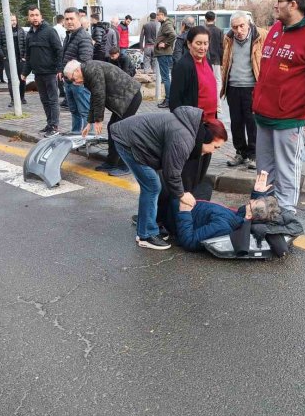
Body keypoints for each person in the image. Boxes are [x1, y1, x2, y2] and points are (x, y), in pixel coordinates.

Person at [252, 0, 305, 213]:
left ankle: (285, 217)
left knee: (287, 171)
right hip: (264, 115)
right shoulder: (277, 29)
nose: (276, 5)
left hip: (290, 119)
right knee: (263, 171)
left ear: (293, 4)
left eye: (279, 0)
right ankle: (263, 212)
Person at [110, 107, 227, 250]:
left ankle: (146, 223)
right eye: (215, 147)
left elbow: (169, 168)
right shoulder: (184, 138)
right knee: (152, 185)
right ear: (207, 139)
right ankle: (146, 235)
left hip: (134, 138)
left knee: (152, 184)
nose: (213, 152)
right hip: (127, 141)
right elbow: (171, 173)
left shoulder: (190, 130)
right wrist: (182, 195)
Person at [63, 58, 141, 177]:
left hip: (130, 97)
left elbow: (100, 95)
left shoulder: (91, 70)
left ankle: (126, 165)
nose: (75, 82)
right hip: (123, 100)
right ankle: (111, 162)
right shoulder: (87, 73)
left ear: (77, 70)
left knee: (121, 132)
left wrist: (99, 120)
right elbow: (94, 99)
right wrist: (90, 122)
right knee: (112, 128)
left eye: (73, 79)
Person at [169, 171, 281, 251]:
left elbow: (189, 241)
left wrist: (184, 212)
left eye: (253, 202)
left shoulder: (222, 226)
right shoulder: (240, 218)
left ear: (250, 215)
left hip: (175, 214)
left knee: (164, 185)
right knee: (205, 186)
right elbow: (244, 212)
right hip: (196, 206)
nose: (250, 200)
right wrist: (258, 193)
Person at [169, 26, 218, 196]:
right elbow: (175, 103)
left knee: (201, 170)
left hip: (209, 125)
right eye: (198, 43)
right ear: (189, 44)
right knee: (189, 172)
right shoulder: (183, 66)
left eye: (205, 43)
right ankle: (181, 210)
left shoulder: (207, 61)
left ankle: (195, 206)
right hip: (193, 127)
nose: (202, 47)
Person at [221, 11, 267, 169]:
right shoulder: (228, 38)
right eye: (235, 27)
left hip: (252, 87)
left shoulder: (260, 36)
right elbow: (226, 60)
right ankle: (240, 152)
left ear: (249, 24)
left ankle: (254, 155)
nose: (239, 30)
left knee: (252, 122)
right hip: (233, 86)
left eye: (242, 26)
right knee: (236, 122)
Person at [22, 5, 63, 137]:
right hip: (37, 73)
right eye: (32, 15)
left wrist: (59, 69)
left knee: (53, 100)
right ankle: (49, 124)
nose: (34, 17)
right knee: (44, 100)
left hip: (50, 72)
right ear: (28, 18)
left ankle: (55, 126)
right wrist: (25, 72)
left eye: (36, 15)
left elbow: (59, 50)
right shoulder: (29, 34)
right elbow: (28, 56)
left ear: (41, 16)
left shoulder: (50, 31)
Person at [59, 7, 93, 135]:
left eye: (71, 18)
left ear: (78, 19)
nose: (69, 21)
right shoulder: (69, 35)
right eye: (66, 19)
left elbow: (85, 61)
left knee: (85, 111)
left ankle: (89, 137)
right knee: (74, 111)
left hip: (79, 82)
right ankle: (76, 135)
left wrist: (74, 77)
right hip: (69, 81)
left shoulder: (83, 37)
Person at [0, 14, 27, 107]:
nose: (13, 22)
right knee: (10, 80)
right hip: (8, 60)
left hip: (20, 59)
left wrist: (24, 56)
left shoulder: (21, 30)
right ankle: (13, 99)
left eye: (14, 20)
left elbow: (26, 44)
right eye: (11, 20)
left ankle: (21, 97)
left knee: (22, 78)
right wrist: (3, 56)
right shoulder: (2, 31)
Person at [154, 6, 176, 109]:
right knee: (167, 77)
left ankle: (168, 100)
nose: (156, 16)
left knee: (165, 78)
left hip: (164, 53)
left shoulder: (166, 24)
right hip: (163, 54)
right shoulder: (165, 24)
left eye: (157, 14)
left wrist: (165, 44)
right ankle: (169, 99)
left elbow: (173, 34)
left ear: (162, 14)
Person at [204, 11, 224, 114]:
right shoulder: (219, 31)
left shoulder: (204, 31)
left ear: (205, 19)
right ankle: (218, 106)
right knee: (218, 82)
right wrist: (221, 62)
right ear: (215, 19)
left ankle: (208, 105)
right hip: (216, 60)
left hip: (205, 60)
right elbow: (222, 47)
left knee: (206, 82)